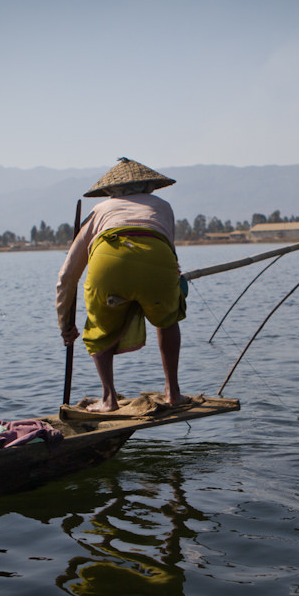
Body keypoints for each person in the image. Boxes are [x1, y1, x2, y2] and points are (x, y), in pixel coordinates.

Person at [56, 158, 189, 412]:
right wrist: (171, 281)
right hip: (157, 262)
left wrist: (65, 325)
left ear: (109, 191)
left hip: (109, 262)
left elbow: (67, 277)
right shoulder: (163, 206)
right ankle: (173, 392)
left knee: (99, 328)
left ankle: (108, 399)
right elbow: (169, 252)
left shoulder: (99, 212)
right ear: (149, 186)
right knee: (168, 318)